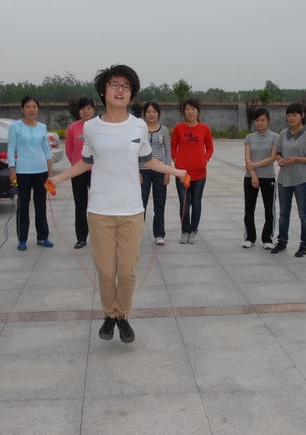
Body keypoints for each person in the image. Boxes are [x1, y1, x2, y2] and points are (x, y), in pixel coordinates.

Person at [46, 65, 186, 344]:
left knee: (128, 272)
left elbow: (148, 160)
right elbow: (85, 162)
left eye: (126, 86)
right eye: (115, 85)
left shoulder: (138, 126)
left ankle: (122, 315)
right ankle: (110, 315)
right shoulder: (91, 127)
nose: (120, 90)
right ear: (103, 91)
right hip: (100, 210)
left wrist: (177, 171)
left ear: (131, 93)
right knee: (107, 272)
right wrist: (57, 178)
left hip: (132, 210)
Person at [271, 103, 306, 257]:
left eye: (295, 115)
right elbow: (278, 152)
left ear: (302, 115)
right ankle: (282, 242)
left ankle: (304, 245)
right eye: (289, 115)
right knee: (284, 213)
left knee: (303, 214)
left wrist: (297, 159)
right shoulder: (283, 134)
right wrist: (280, 159)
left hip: (302, 180)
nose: (291, 118)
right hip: (284, 179)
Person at [8, 96, 54, 251]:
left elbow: (46, 149)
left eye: (34, 107)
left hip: (41, 170)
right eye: (28, 107)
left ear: (38, 109)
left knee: (41, 205)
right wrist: (12, 169)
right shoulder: (15, 126)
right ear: (22, 109)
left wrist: (50, 171)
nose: (31, 110)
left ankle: (43, 237)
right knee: (23, 206)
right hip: (23, 171)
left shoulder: (42, 127)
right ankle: (22, 239)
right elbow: (11, 148)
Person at [171, 99, 214, 244]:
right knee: (184, 204)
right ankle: (185, 231)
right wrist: (176, 160)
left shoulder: (204, 128)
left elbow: (210, 147)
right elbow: (173, 147)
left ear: (198, 111)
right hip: (182, 174)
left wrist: (205, 159)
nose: (190, 112)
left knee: (196, 203)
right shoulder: (178, 128)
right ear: (184, 112)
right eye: (187, 109)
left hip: (199, 174)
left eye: (193, 109)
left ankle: (194, 230)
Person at [242, 108, 278, 249]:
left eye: (262, 120)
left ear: (268, 120)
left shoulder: (275, 137)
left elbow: (272, 158)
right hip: (250, 177)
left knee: (269, 209)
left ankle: (267, 238)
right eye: (257, 120)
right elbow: (247, 158)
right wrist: (253, 175)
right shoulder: (249, 137)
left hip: (268, 176)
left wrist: (254, 165)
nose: (260, 123)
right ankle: (249, 237)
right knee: (249, 208)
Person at [65, 96, 95, 249]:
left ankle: (98, 237)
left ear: (93, 110)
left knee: (97, 206)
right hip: (78, 173)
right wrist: (77, 165)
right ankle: (81, 238)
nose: (86, 111)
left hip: (96, 172)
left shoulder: (99, 127)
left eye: (89, 108)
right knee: (80, 206)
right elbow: (69, 151)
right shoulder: (73, 128)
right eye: (83, 109)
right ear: (78, 111)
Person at [140, 101, 171, 246]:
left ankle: (159, 234)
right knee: (141, 203)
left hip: (159, 171)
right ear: (144, 114)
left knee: (159, 203)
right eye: (148, 112)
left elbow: (168, 151)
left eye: (154, 112)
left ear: (158, 113)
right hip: (143, 171)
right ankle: (136, 233)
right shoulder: (140, 130)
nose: (151, 114)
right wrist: (137, 171)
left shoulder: (163, 130)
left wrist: (167, 171)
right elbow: (135, 150)